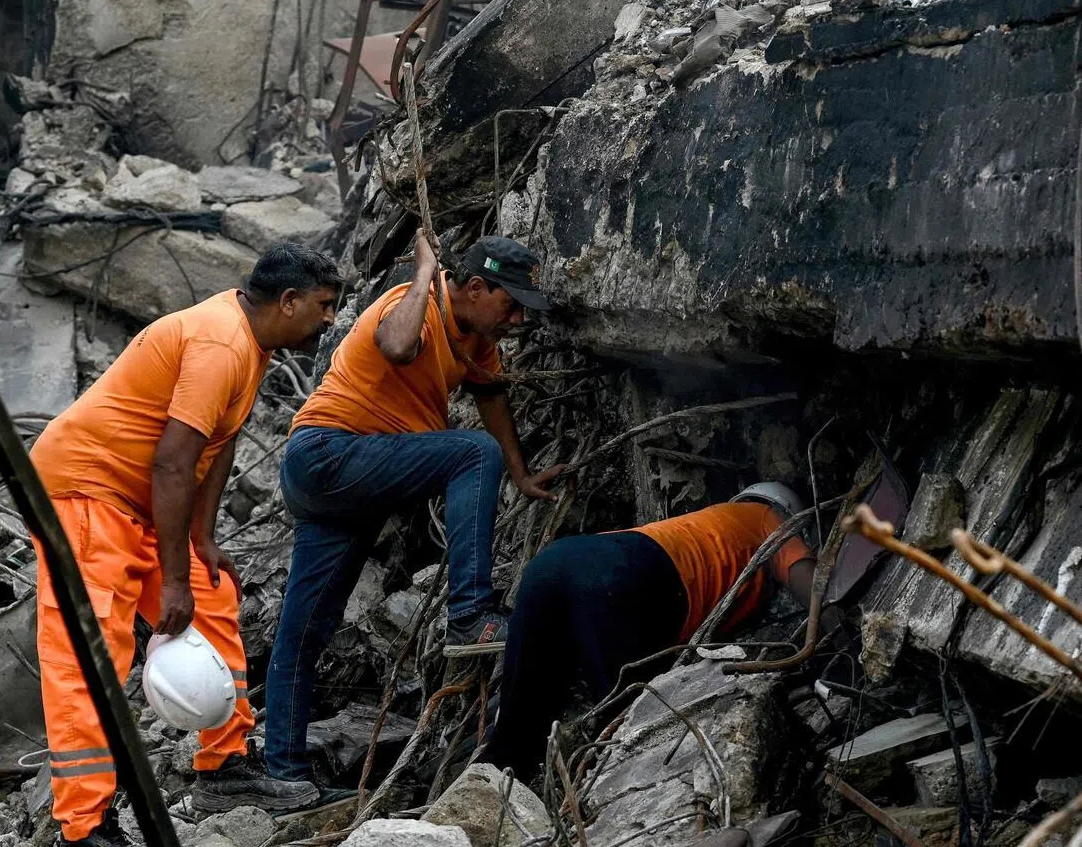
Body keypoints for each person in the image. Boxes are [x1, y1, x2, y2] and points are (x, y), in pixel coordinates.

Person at [28, 242, 343, 847]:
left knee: (214, 599)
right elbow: (174, 460)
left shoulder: (252, 345)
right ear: (287, 302)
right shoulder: (221, 344)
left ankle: (222, 769)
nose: (329, 320)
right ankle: (84, 837)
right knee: (91, 661)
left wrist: (199, 541)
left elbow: (214, 449)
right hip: (83, 496)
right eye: (323, 307)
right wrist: (170, 580)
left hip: (142, 503)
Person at [264, 231, 565, 783]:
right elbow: (398, 347)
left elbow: (491, 394)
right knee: (471, 453)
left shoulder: (477, 337)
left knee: (304, 628)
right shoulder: (413, 306)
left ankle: (283, 772)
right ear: (474, 287)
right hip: (327, 453)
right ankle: (471, 615)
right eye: (511, 305)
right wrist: (424, 275)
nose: (517, 320)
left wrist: (519, 474)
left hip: (347, 479)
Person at [483, 483, 816, 782]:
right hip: (624, 577)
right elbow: (816, 591)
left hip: (558, 560)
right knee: (625, 735)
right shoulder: (768, 520)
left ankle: (477, 809)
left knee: (517, 728)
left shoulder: (707, 524)